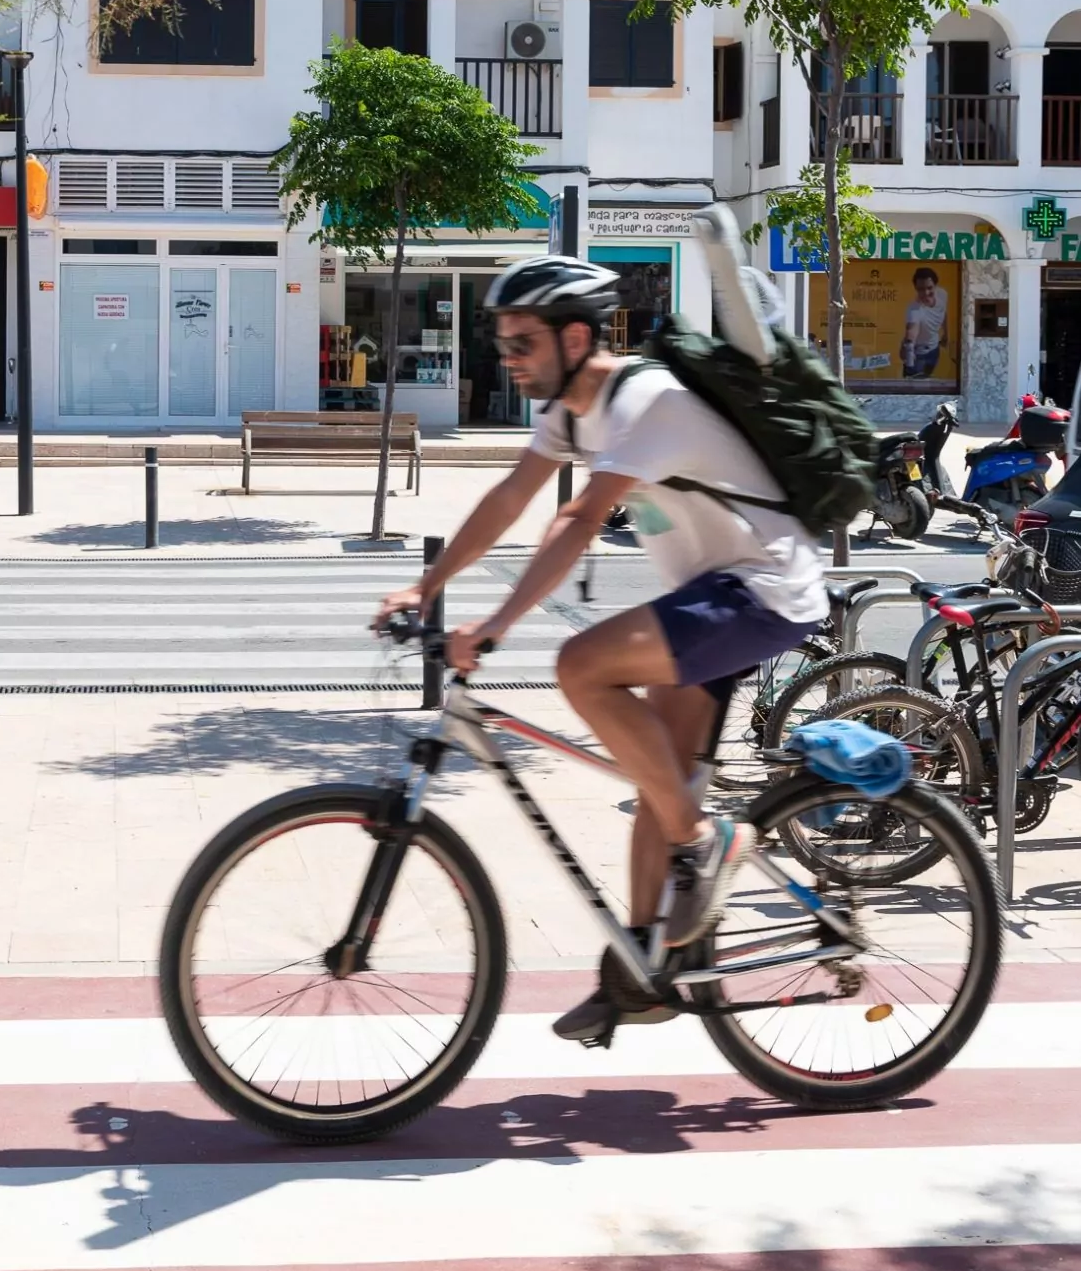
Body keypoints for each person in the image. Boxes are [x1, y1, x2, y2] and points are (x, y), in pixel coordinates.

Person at [376, 256, 828, 1043]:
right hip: (712, 596)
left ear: (575, 336)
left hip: (762, 588)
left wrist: (495, 626)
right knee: (662, 783)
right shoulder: (570, 411)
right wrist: (428, 585)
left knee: (580, 666)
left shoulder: (645, 400)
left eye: (521, 343)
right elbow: (511, 496)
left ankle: (712, 840)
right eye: (504, 344)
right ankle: (647, 973)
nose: (507, 359)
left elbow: (579, 518)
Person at [899, 266, 948, 379]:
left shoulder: (942, 294)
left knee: (928, 383)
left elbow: (943, 313)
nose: (926, 293)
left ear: (936, 286)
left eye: (929, 288)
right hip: (918, 356)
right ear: (915, 288)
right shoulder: (914, 309)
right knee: (914, 389)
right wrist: (908, 351)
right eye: (920, 289)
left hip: (934, 350)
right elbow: (911, 331)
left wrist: (946, 334)